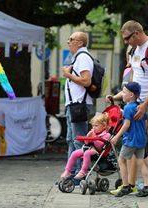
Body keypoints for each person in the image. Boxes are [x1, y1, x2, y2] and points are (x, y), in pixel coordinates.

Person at [120, 20, 148, 194]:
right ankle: (129, 184)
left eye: (127, 38)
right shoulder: (134, 50)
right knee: (134, 142)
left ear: (136, 33)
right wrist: (125, 96)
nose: (126, 42)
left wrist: (145, 105)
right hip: (137, 103)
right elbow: (134, 76)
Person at [111, 82, 148, 197]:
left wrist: (116, 136)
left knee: (121, 160)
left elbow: (126, 124)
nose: (122, 94)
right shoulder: (140, 107)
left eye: (124, 92)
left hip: (130, 140)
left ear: (131, 95)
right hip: (141, 139)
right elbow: (145, 123)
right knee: (141, 161)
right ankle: (147, 186)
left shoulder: (128, 107)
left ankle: (126, 186)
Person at [62, 31, 95, 174]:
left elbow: (86, 81)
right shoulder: (78, 57)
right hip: (74, 104)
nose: (68, 42)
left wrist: (68, 75)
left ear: (80, 43)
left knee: (78, 140)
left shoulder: (82, 57)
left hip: (79, 104)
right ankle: (72, 171)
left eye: (71, 39)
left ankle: (80, 173)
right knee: (71, 139)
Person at [61, 113, 110, 180]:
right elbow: (86, 143)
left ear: (104, 126)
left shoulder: (106, 135)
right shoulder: (93, 132)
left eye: (96, 126)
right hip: (89, 148)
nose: (94, 128)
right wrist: (88, 137)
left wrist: (94, 138)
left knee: (87, 153)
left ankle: (84, 171)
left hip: (98, 152)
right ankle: (68, 170)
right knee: (74, 153)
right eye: (93, 126)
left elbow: (100, 145)